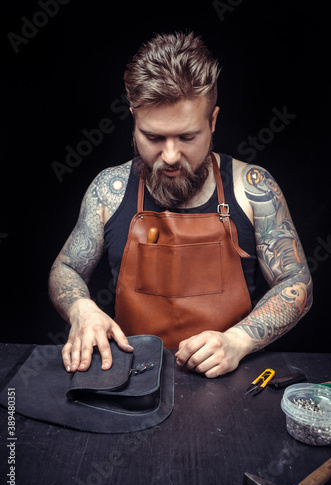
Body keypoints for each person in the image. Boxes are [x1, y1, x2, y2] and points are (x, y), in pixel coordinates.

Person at [49, 32, 312, 379]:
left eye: (187, 137)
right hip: (129, 379)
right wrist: (81, 308)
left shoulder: (253, 188)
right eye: (154, 137)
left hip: (229, 386)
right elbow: (65, 268)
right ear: (134, 119)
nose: (170, 156)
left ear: (213, 121)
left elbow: (296, 282)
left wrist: (238, 340)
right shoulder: (108, 190)